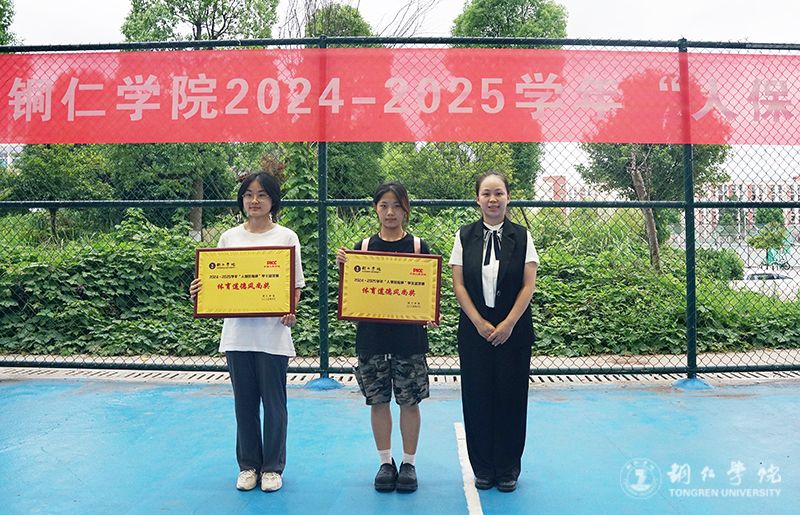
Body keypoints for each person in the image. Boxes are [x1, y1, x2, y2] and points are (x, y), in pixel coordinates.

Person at [189, 172, 305, 493]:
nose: (255, 200)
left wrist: (289, 309)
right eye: (249, 194)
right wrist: (199, 292)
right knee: (244, 404)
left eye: (262, 195)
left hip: (273, 336)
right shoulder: (229, 238)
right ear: (241, 199)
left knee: (274, 405)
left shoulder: (287, 237)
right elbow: (215, 284)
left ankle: (272, 468)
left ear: (273, 201)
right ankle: (249, 466)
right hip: (237, 336)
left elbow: (295, 286)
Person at [335, 181, 434, 493]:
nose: (390, 212)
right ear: (375, 209)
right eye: (384, 205)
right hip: (372, 338)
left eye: (397, 206)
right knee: (378, 401)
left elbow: (428, 292)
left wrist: (430, 310)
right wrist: (344, 269)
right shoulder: (362, 248)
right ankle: (385, 462)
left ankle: (409, 463)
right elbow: (352, 294)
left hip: (409, 339)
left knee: (409, 401)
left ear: (406, 209)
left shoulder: (419, 247)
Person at [448, 171, 539, 493]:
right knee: (477, 397)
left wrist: (509, 323)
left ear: (508, 197)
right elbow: (459, 284)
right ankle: (484, 468)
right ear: (477, 199)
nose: (493, 199)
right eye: (486, 193)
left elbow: (528, 285)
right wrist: (478, 321)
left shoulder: (522, 236)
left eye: (498, 193)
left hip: (514, 331)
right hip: (475, 330)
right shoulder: (464, 235)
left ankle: (508, 468)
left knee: (511, 398)